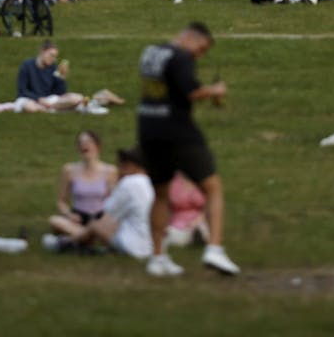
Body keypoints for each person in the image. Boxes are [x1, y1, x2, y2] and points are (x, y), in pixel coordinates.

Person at [138, 23, 239, 277]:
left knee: (160, 194)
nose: (199, 55)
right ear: (190, 37)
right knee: (212, 188)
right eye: (201, 48)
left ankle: (157, 258)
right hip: (178, 132)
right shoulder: (181, 56)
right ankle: (214, 249)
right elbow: (192, 92)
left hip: (148, 129)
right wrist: (215, 91)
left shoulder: (150, 52)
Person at [44, 146, 153, 259]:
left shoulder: (129, 183)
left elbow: (106, 213)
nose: (119, 171)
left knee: (96, 225)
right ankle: (78, 240)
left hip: (134, 247)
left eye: (121, 166)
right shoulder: (150, 182)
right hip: (151, 246)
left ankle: (64, 244)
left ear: (131, 165)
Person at [47, 131, 118, 239]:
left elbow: (115, 201)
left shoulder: (110, 171)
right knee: (54, 221)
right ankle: (88, 235)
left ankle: (82, 236)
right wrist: (69, 215)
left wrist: (106, 218)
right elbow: (61, 201)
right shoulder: (69, 170)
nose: (84, 144)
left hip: (101, 218)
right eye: (81, 142)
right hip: (78, 219)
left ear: (97, 146)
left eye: (88, 141)